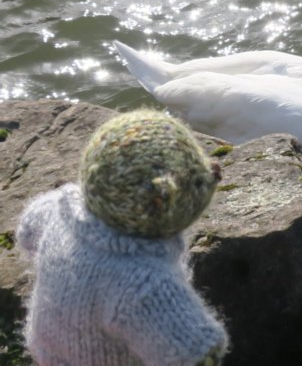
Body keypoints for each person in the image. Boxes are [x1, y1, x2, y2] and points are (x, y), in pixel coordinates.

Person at [17, 110, 228, 366]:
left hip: (49, 349)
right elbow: (195, 351)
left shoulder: (60, 207)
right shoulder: (144, 282)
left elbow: (27, 234)